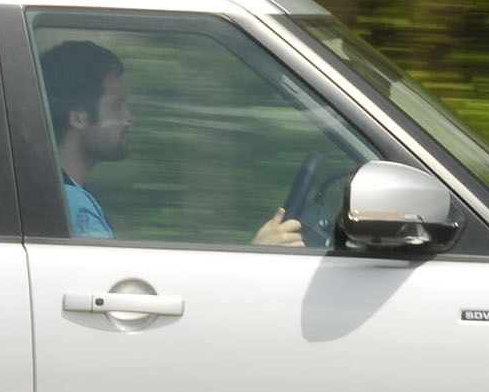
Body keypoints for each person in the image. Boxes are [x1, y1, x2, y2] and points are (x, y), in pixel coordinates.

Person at [39, 39, 304, 245]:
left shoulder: (59, 195)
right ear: (78, 117)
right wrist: (256, 257)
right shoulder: (75, 209)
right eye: (118, 106)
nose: (131, 118)